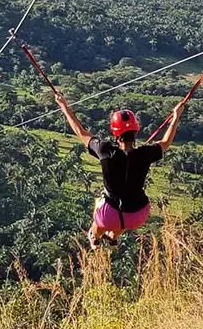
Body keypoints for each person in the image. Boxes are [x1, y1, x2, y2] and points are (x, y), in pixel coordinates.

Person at [53, 90, 186, 248]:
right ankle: (113, 236)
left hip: (109, 215)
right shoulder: (145, 153)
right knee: (122, 211)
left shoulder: (105, 150)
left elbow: (80, 132)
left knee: (100, 203)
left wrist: (64, 106)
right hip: (137, 215)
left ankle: (95, 237)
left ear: (115, 132)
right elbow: (165, 142)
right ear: (135, 130)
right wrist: (176, 116)